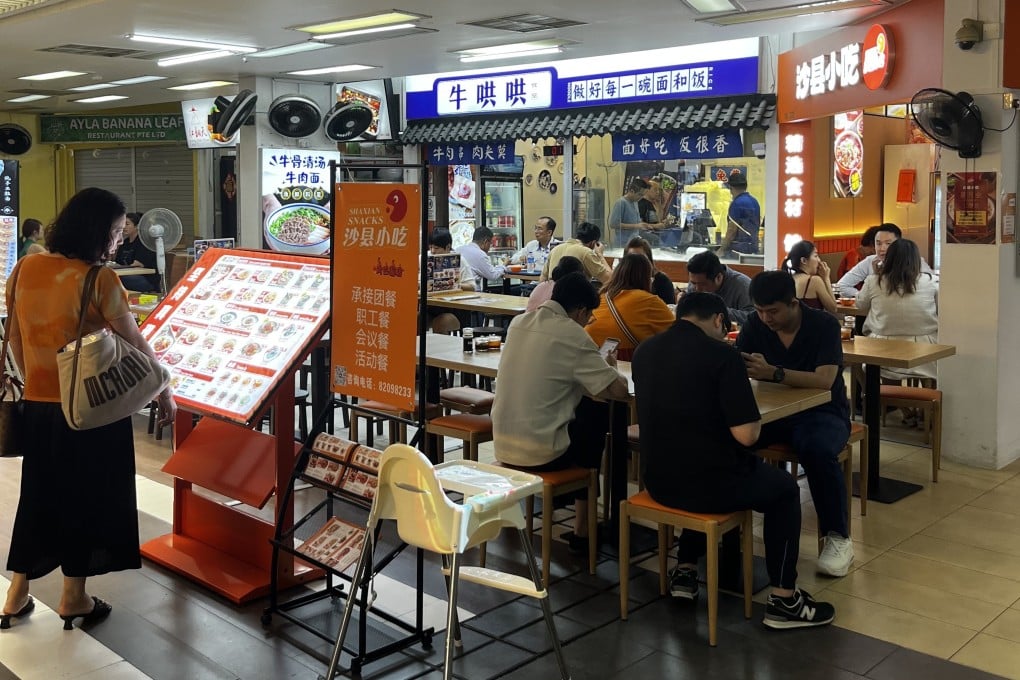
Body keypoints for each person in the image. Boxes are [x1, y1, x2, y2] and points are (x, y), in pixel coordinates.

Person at [2, 187, 177, 631]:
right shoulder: (99, 280)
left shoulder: (24, 269)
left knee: (39, 497)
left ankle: (15, 594)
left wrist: (39, 381)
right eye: (115, 232)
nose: (118, 241)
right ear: (97, 231)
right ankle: (73, 598)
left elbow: (18, 338)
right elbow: (135, 346)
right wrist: (164, 391)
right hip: (91, 414)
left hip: (40, 410)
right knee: (87, 500)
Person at [633, 292, 835, 629]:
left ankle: (685, 570)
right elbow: (747, 436)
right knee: (784, 491)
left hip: (658, 481)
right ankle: (785, 600)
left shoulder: (646, 350)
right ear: (717, 320)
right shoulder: (722, 356)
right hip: (711, 487)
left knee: (697, 462)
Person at [492, 272, 630, 541]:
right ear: (580, 310)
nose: (587, 321)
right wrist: (611, 368)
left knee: (578, 411)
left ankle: (573, 516)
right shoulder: (572, 334)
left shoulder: (519, 323)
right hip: (541, 455)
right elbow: (617, 390)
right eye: (589, 315)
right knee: (596, 412)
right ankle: (582, 527)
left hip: (503, 446)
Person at [736, 271, 853, 577]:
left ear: (793, 303)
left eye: (772, 311)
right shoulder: (754, 325)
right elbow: (737, 365)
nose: (765, 318)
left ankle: (838, 536)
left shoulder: (823, 325)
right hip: (773, 412)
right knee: (733, 439)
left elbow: (825, 381)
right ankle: (730, 516)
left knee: (816, 450)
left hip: (824, 412)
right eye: (759, 311)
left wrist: (775, 373)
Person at [856, 238, 939, 389]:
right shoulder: (931, 281)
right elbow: (941, 311)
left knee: (879, 366)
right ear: (916, 260)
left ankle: (892, 402)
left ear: (888, 258)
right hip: (925, 350)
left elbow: (860, 305)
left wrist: (876, 276)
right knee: (934, 366)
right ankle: (925, 404)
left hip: (882, 348)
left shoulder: (874, 281)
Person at [586, 253, 674, 361]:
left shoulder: (601, 297)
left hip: (592, 357)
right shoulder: (649, 301)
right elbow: (677, 334)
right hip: (628, 361)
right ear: (645, 277)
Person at [835, 223, 932, 298]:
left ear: (899, 243)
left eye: (888, 243)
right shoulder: (871, 261)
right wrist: (864, 297)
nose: (882, 248)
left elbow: (932, 286)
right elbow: (841, 286)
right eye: (878, 243)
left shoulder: (914, 261)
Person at [685, 250, 754, 325]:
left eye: (703, 284)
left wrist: (718, 310)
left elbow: (753, 317)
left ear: (718, 277)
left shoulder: (742, 286)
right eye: (693, 283)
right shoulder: (697, 281)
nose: (697, 289)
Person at [541, 221, 611, 285]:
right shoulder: (586, 252)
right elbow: (608, 279)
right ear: (593, 243)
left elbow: (543, 279)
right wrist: (600, 255)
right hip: (574, 296)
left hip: (553, 295)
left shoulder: (555, 249)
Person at [785, 240, 838, 315]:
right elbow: (833, 309)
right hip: (812, 326)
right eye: (816, 256)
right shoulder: (814, 281)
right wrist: (826, 278)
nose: (819, 260)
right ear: (803, 260)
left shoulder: (787, 279)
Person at [114, 212, 160, 292]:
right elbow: (118, 262)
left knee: (115, 279)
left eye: (127, 224)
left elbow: (137, 264)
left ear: (137, 226)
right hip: (128, 275)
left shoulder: (144, 242)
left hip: (146, 279)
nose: (124, 227)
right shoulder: (125, 242)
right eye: (123, 224)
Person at [719, 171, 760, 258]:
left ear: (731, 188)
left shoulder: (736, 203)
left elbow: (732, 230)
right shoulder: (754, 201)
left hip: (738, 250)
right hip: (753, 248)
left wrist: (721, 250)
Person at [609, 178, 660, 247]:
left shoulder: (635, 202)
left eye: (643, 195)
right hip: (622, 244)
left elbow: (634, 221)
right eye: (640, 194)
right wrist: (636, 226)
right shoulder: (621, 203)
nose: (641, 197)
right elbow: (613, 224)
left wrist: (643, 225)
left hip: (634, 241)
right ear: (632, 191)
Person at [626, 236, 676, 306]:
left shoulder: (662, 281)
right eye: (632, 260)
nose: (637, 263)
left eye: (642, 259)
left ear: (649, 261)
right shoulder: (622, 282)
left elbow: (669, 310)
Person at [455, 226, 507, 291]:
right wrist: (504, 264)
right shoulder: (480, 254)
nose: (489, 247)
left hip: (457, 290)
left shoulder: (459, 249)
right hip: (473, 292)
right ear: (485, 241)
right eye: (490, 244)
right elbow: (493, 275)